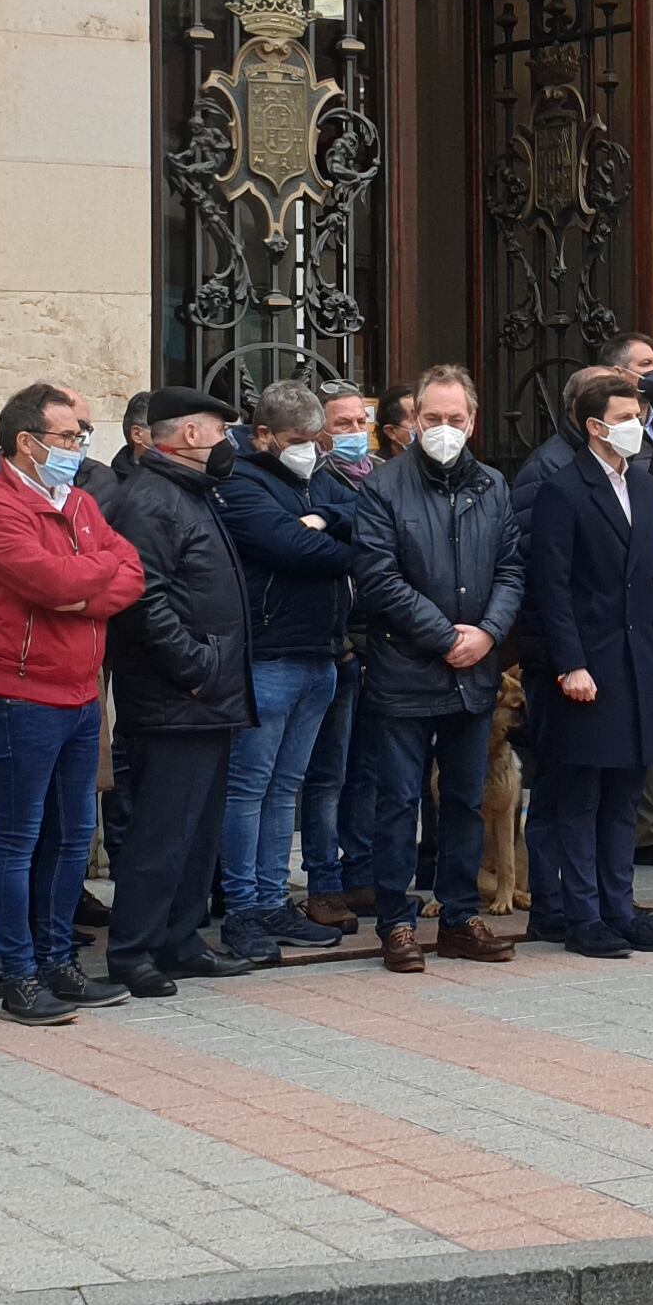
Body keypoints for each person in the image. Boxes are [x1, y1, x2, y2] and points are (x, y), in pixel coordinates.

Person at [0, 382, 144, 1019]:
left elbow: (131, 571)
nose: (79, 448)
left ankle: (59, 959)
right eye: (68, 437)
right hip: (19, 694)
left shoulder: (81, 502)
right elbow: (48, 579)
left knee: (73, 838)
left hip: (80, 691)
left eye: (80, 437)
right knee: (17, 838)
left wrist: (79, 591)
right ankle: (20, 973)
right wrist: (84, 581)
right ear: (27, 442)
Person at [340, 365, 525, 969]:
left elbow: (510, 569)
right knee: (398, 801)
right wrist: (445, 636)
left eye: (455, 419)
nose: (444, 429)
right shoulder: (384, 487)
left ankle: (459, 914)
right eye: (432, 419)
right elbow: (377, 577)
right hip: (406, 669)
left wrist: (490, 632)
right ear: (413, 422)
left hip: (474, 673)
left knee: (466, 800)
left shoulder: (493, 485)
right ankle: (395, 921)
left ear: (472, 422)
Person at [99, 391, 259, 992]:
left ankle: (181, 939)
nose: (229, 444)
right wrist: (193, 666)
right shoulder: (150, 498)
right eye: (221, 432)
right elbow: (146, 595)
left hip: (205, 693)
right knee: (162, 832)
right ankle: (134, 951)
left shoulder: (189, 492)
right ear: (190, 434)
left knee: (197, 831)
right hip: (177, 695)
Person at [524, 370, 653, 955]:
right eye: (623, 418)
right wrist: (571, 663)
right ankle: (581, 914)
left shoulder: (643, 485)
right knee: (582, 795)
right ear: (595, 427)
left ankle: (621, 907)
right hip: (590, 667)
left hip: (642, 660)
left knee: (626, 791)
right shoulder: (563, 489)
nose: (637, 426)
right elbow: (553, 588)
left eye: (639, 416)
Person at [285, 380, 385, 932]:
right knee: (327, 774)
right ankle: (323, 882)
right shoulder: (314, 481)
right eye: (341, 424)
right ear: (319, 430)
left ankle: (362, 870)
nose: (353, 433)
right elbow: (353, 546)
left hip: (382, 644)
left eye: (358, 422)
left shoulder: (384, 476)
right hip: (338, 644)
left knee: (366, 769)